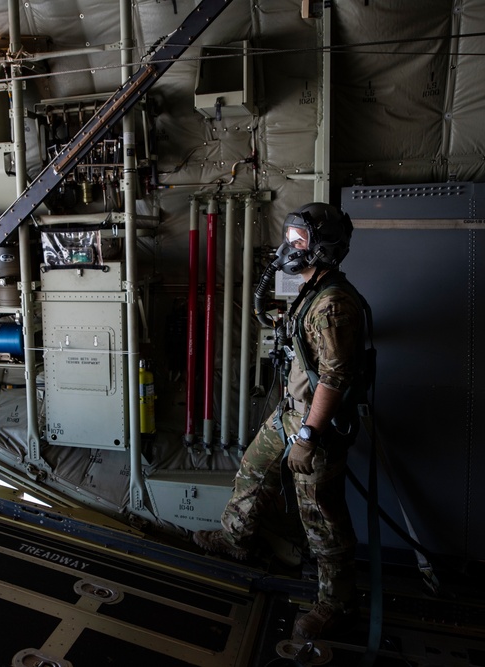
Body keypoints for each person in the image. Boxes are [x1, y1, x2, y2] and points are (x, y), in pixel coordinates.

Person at [192, 202, 367, 640]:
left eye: (298, 239)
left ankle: (336, 604)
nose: (288, 246)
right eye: (289, 236)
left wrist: (309, 434)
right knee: (253, 472)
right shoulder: (313, 290)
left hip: (315, 427)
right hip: (289, 415)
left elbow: (335, 376)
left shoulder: (333, 303)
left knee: (322, 518)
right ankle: (237, 540)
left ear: (322, 248)